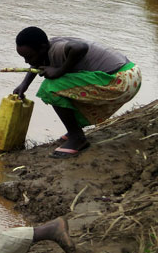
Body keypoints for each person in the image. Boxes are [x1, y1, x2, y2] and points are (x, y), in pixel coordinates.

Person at [13, 27, 141, 158]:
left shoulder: (58, 49)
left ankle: (77, 137)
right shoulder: (46, 49)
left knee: (51, 88)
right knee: (67, 86)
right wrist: (24, 84)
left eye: (28, 57)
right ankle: (75, 130)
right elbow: (37, 63)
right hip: (131, 74)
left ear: (42, 47)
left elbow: (80, 47)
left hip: (122, 80)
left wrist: (59, 71)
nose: (26, 61)